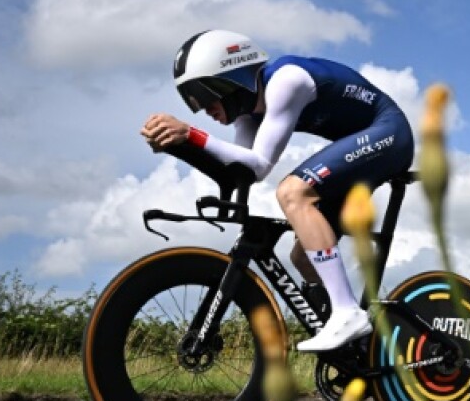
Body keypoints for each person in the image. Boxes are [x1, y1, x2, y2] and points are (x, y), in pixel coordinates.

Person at [140, 30, 414, 352]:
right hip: (361, 148)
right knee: (303, 257)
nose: (203, 110)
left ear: (230, 78)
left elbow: (260, 163)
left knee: (292, 193)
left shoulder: (287, 80)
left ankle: (347, 313)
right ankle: (357, 346)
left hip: (389, 132)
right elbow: (243, 171)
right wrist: (181, 147)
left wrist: (191, 134)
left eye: (205, 95)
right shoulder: (248, 115)